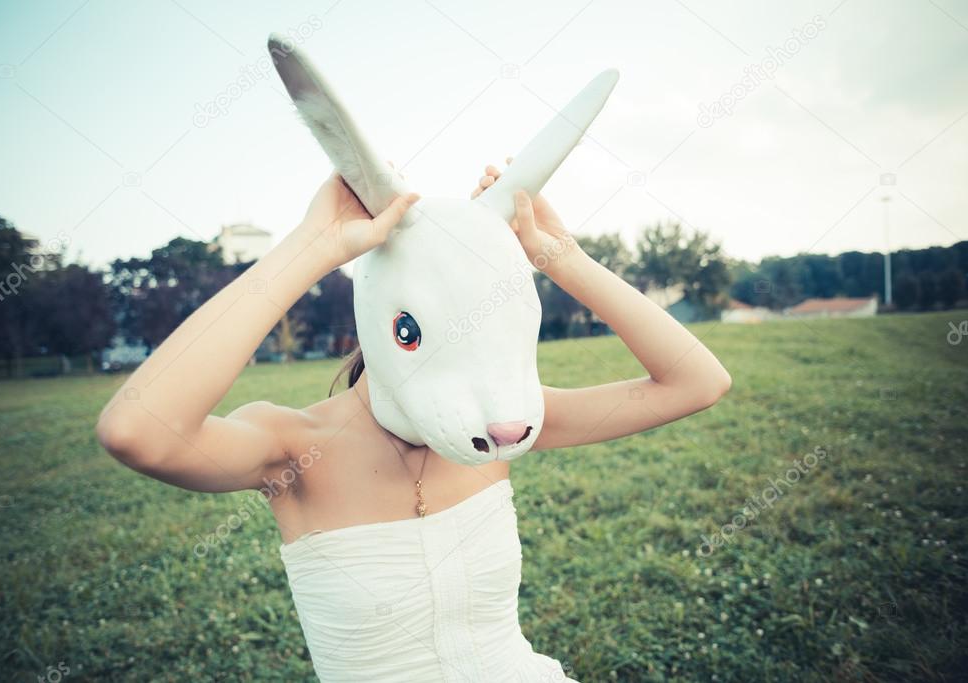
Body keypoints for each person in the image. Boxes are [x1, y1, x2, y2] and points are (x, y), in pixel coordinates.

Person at [96, 164, 732, 681]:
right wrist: (310, 251)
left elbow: (697, 382)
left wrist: (561, 257)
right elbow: (139, 432)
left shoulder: (500, 424)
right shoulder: (291, 449)